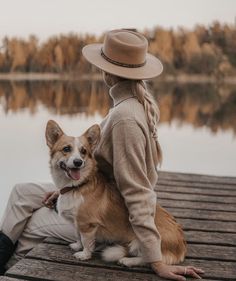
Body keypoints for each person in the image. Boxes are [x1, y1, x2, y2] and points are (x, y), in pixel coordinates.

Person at [0, 29, 204, 280]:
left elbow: (137, 190)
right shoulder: (127, 106)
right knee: (21, 192)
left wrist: (156, 259)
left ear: (108, 71)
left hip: (107, 211)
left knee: (30, 226)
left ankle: (11, 273)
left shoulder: (124, 119)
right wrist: (65, 189)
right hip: (90, 189)